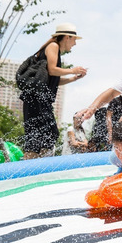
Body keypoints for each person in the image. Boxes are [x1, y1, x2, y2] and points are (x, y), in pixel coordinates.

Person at [21, 22, 87, 159]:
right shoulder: (53, 46)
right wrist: (73, 70)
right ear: (67, 37)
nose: (75, 44)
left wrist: (73, 78)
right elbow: (52, 70)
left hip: (39, 100)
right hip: (36, 99)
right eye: (74, 39)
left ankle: (37, 165)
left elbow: (53, 79)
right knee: (44, 135)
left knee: (43, 135)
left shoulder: (54, 49)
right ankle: (35, 167)